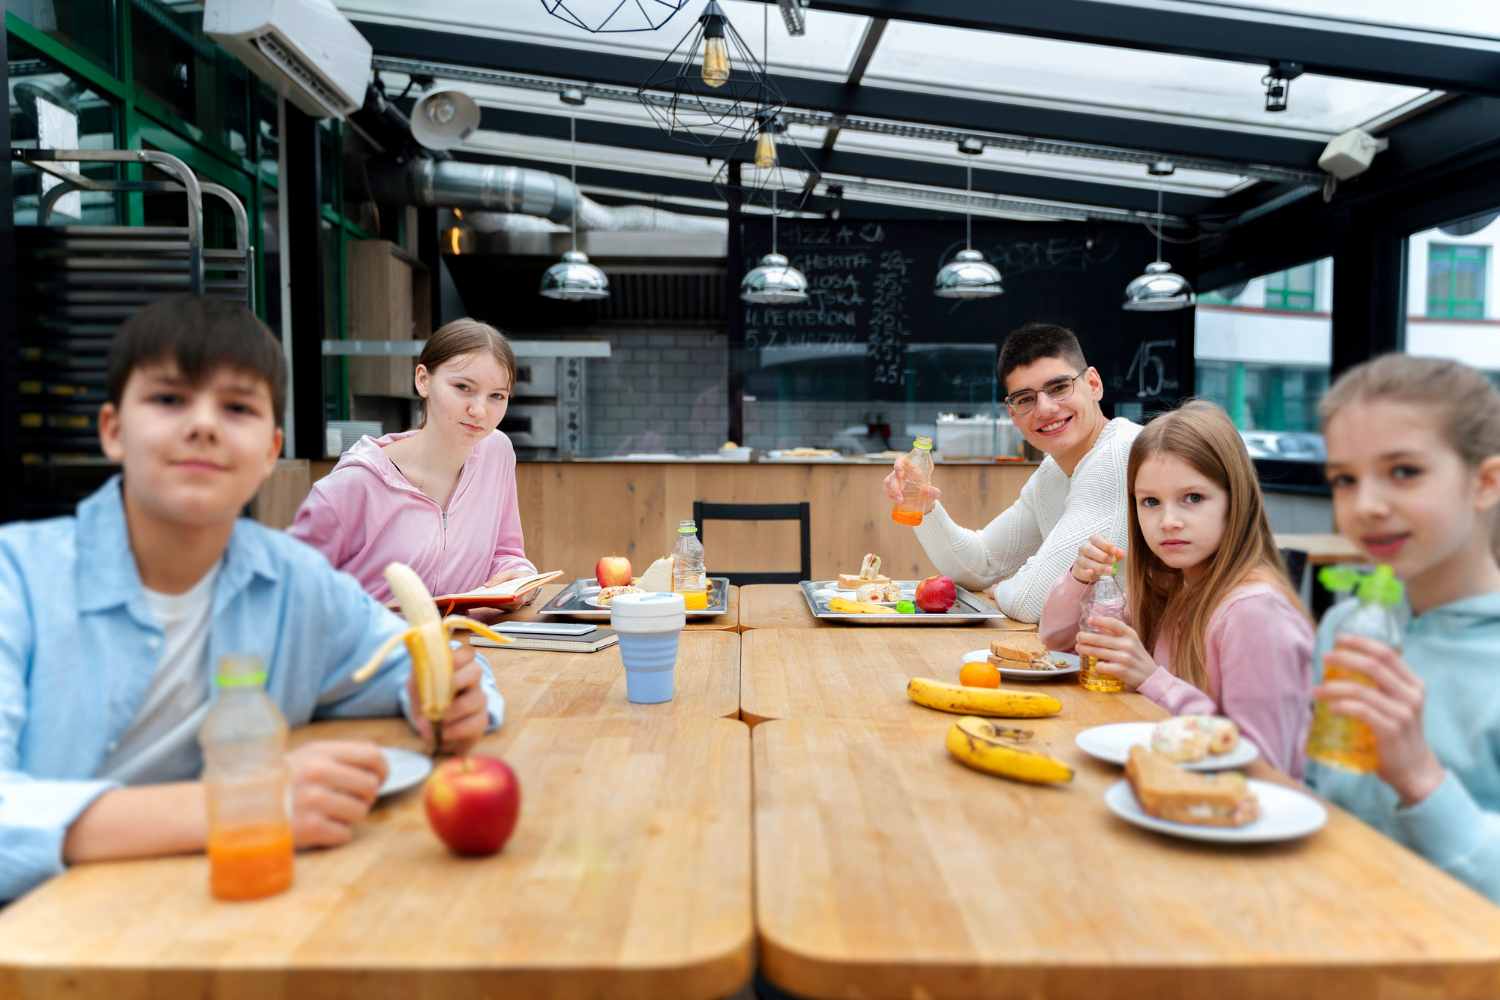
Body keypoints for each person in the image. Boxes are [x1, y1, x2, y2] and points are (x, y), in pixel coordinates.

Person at [0, 295, 503, 902]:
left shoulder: (294, 585)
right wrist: (247, 803)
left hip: (232, 909)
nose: (204, 424)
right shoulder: (18, 580)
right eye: (169, 399)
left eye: (237, 407)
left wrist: (447, 695)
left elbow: (415, 665)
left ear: (270, 450)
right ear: (112, 430)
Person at [1306, 354, 1500, 903]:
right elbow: (1327, 795)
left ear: (1486, 482)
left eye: (1404, 472)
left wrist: (1421, 780)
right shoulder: (1347, 625)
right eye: (1344, 479)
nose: (1365, 506)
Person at [1038, 401, 1314, 777]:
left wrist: (1152, 679)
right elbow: (1057, 640)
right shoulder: (1172, 585)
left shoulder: (1254, 611)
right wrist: (1080, 578)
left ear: (1236, 501)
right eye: (1150, 501)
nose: (1168, 521)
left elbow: (1265, 765)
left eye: (1193, 498)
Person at [885, 323, 1141, 622]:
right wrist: (924, 506)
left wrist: (1004, 589)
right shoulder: (1052, 472)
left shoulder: (1119, 456)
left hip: (1154, 665)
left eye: (1059, 387)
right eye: (1025, 399)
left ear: (1094, 384)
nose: (1044, 408)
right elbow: (979, 565)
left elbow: (1030, 603)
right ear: (1012, 415)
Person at [289, 319, 534, 606]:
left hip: (465, 646)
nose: (479, 410)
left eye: (496, 396)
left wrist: (520, 581)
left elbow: (506, 554)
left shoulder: (497, 453)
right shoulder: (354, 484)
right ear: (423, 380)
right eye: (463, 387)